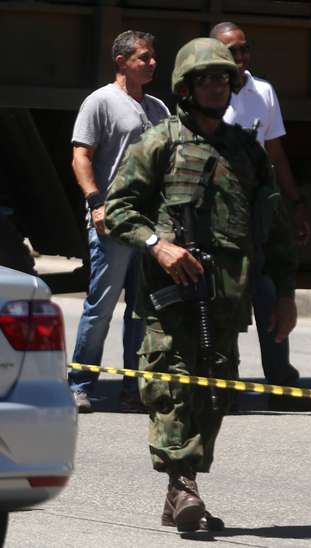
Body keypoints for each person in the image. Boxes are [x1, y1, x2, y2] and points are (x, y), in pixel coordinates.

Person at [104, 37, 297, 531]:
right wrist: (158, 245)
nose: (216, 87)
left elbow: (273, 227)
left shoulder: (247, 150)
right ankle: (183, 484)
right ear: (185, 88)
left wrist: (286, 295)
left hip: (228, 296)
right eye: (205, 80)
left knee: (215, 394)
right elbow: (119, 208)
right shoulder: (160, 141)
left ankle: (180, 487)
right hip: (171, 294)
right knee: (171, 387)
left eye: (223, 79)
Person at [68, 30, 170, 413]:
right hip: (112, 222)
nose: (152, 63)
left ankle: (134, 385)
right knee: (101, 307)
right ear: (121, 61)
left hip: (148, 226)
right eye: (144, 57)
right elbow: (81, 157)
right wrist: (96, 202)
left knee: (143, 311)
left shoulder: (159, 109)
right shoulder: (100, 102)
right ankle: (80, 383)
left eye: (153, 56)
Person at [210, 21, 309, 387]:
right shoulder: (207, 93)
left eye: (244, 49)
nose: (240, 58)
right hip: (221, 215)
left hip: (258, 214)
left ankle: (279, 376)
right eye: (231, 51)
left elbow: (276, 154)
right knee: (226, 299)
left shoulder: (262, 92)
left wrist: (295, 202)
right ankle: (225, 378)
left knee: (270, 294)